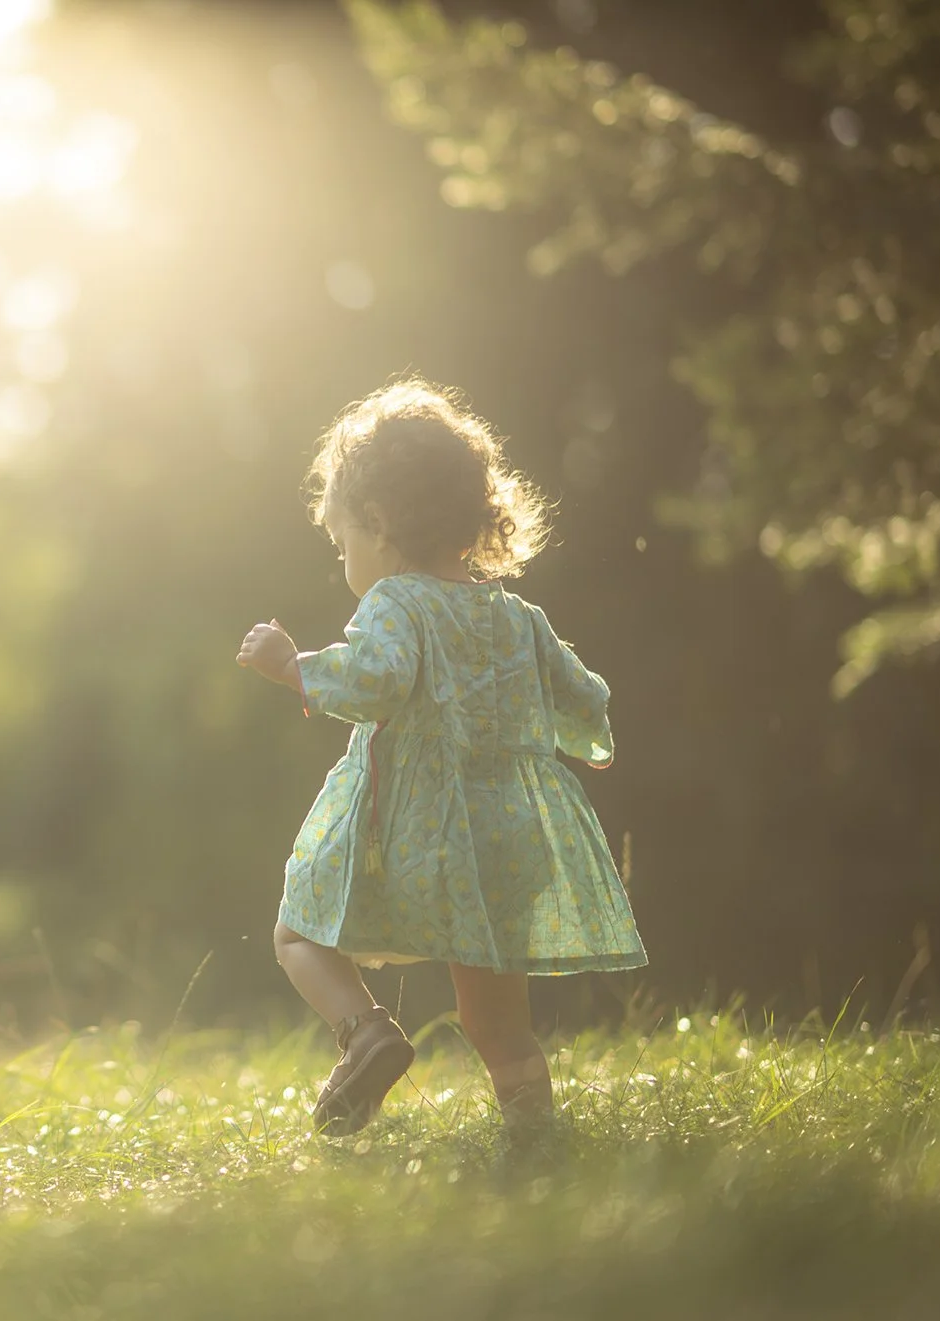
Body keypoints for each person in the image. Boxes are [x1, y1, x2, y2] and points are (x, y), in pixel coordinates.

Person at [237, 379, 644, 1139]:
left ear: (379, 523)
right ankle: (533, 1139)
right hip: (504, 846)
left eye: (342, 542)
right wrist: (588, 741)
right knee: (496, 1021)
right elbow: (582, 694)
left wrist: (295, 666)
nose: (343, 559)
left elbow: (375, 677)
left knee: (298, 934)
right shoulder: (519, 616)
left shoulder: (398, 601)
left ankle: (365, 1032)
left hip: (413, 836)